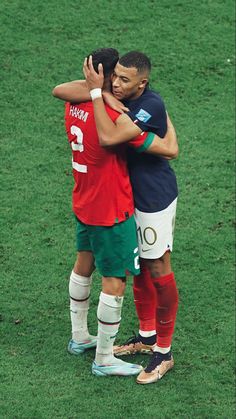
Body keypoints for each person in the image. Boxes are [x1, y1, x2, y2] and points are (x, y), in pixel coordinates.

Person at [53, 48, 177, 378]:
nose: (120, 85)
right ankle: (114, 352)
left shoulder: (75, 103)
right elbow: (164, 147)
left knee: (135, 266)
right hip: (111, 204)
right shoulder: (108, 112)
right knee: (121, 276)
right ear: (107, 78)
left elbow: (60, 89)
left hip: (108, 199)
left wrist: (97, 92)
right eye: (116, 78)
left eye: (126, 79)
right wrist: (102, 96)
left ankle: (156, 349)